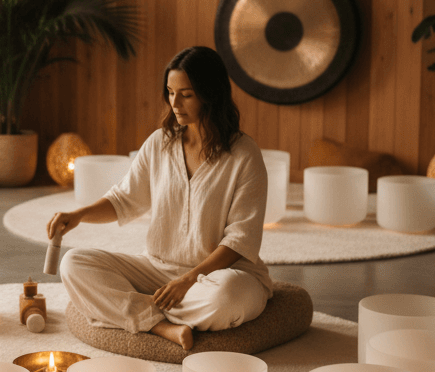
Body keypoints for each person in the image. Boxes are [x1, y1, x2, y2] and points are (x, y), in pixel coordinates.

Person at [47, 45, 273, 351]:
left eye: (186, 94)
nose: (175, 103)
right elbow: (124, 199)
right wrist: (78, 215)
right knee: (74, 264)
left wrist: (189, 280)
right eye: (170, 92)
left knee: (228, 297)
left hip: (218, 277)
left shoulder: (244, 155)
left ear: (210, 93)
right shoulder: (160, 144)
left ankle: (128, 311)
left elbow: (240, 240)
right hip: (156, 270)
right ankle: (162, 326)